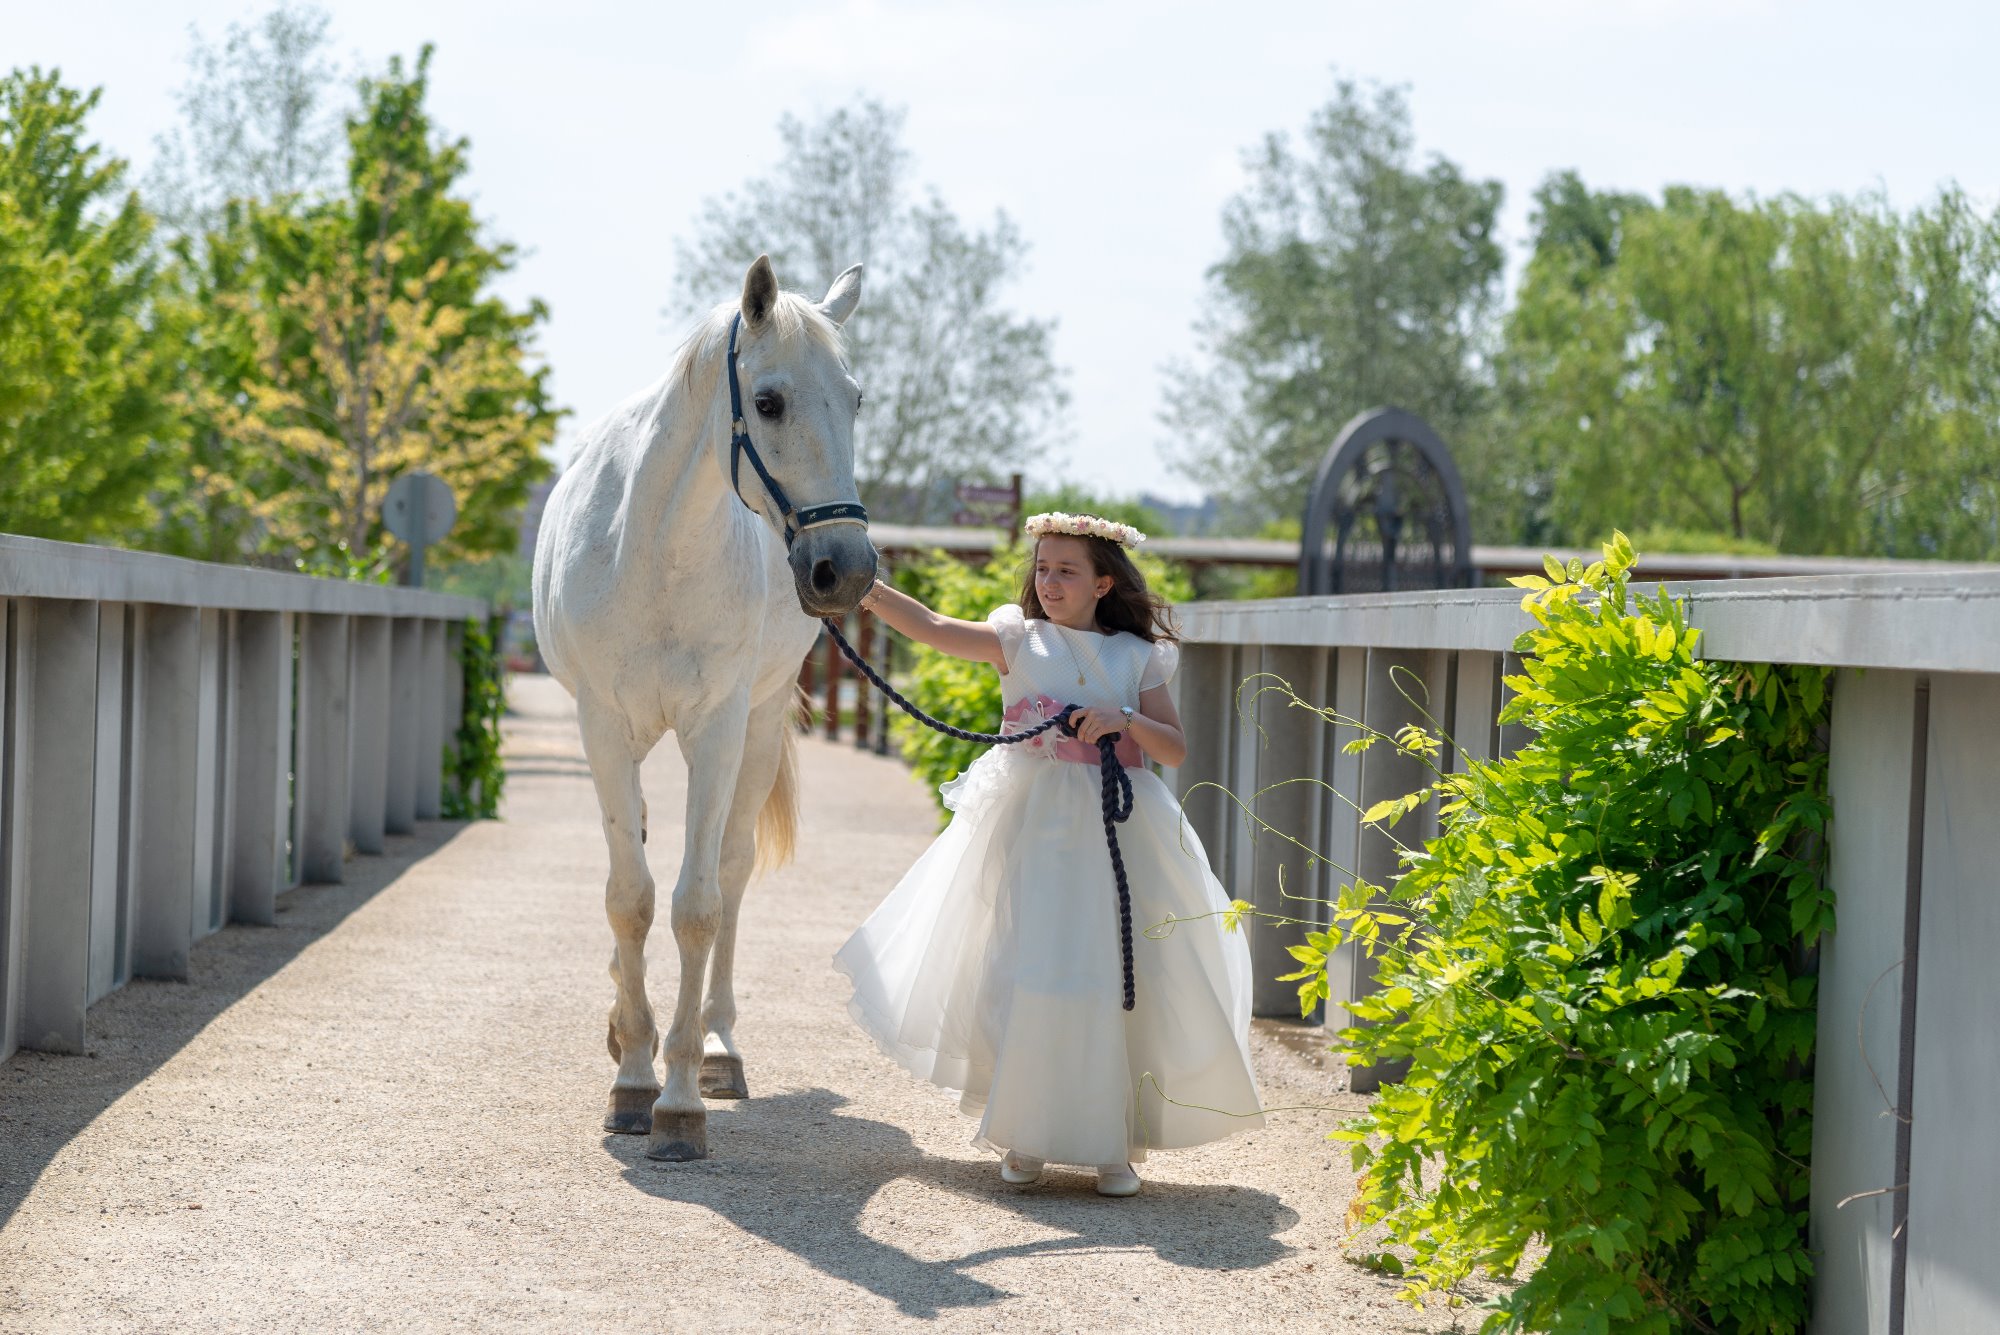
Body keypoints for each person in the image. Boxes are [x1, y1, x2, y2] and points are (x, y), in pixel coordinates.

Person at [834, 511, 1264, 1197]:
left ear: (1102, 583)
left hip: (1118, 824)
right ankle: (1026, 1129)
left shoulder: (1136, 656)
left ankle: (1113, 1144)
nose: (1049, 581)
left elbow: (1176, 748)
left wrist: (1126, 719)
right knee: (1030, 966)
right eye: (1042, 568)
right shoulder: (1017, 638)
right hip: (1034, 826)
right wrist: (867, 589)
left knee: (1113, 972)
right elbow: (935, 627)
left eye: (1067, 570)